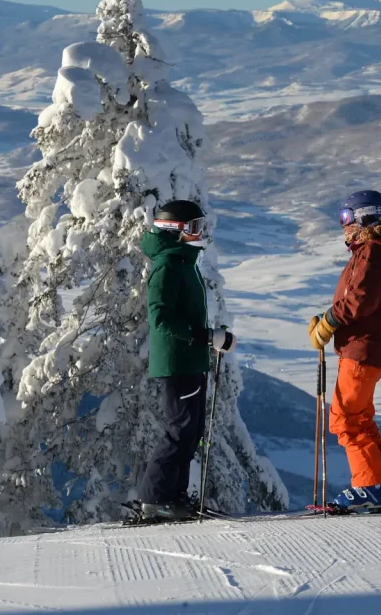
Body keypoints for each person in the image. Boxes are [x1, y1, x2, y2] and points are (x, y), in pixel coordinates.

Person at [308, 190, 381, 511]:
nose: (344, 227)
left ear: (366, 218)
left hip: (361, 349)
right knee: (360, 418)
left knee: (346, 420)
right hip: (367, 348)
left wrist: (329, 320)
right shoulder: (375, 251)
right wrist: (330, 318)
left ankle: (369, 487)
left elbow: (359, 300)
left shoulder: (372, 253)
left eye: (347, 218)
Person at [137, 199, 236, 520]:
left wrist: (210, 336)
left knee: (190, 432)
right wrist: (206, 337)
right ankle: (155, 499)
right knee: (179, 431)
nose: (200, 232)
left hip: (189, 360)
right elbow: (161, 318)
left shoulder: (182, 261)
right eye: (194, 227)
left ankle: (174, 496)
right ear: (175, 230)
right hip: (177, 362)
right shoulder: (168, 265)